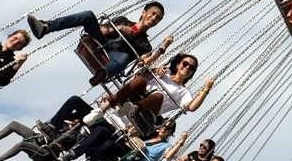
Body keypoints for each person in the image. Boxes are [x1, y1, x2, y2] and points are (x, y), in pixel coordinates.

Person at [27, 2, 169, 82]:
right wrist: (120, 28)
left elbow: (143, 62)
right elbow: (102, 31)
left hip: (114, 58)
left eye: (158, 18)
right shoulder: (123, 21)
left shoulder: (145, 44)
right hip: (100, 42)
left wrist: (162, 48)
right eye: (153, 13)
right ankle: (46, 27)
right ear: (144, 12)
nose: (154, 18)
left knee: (124, 57)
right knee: (88, 15)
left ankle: (103, 74)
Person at [84, 52, 214, 127]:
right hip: (137, 97)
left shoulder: (184, 92)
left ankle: (133, 109)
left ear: (191, 73)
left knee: (158, 96)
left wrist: (206, 90)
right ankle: (102, 109)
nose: (187, 68)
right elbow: (140, 74)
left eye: (191, 68)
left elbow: (191, 107)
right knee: (140, 81)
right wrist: (154, 71)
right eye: (185, 64)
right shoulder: (164, 72)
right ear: (179, 64)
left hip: (149, 111)